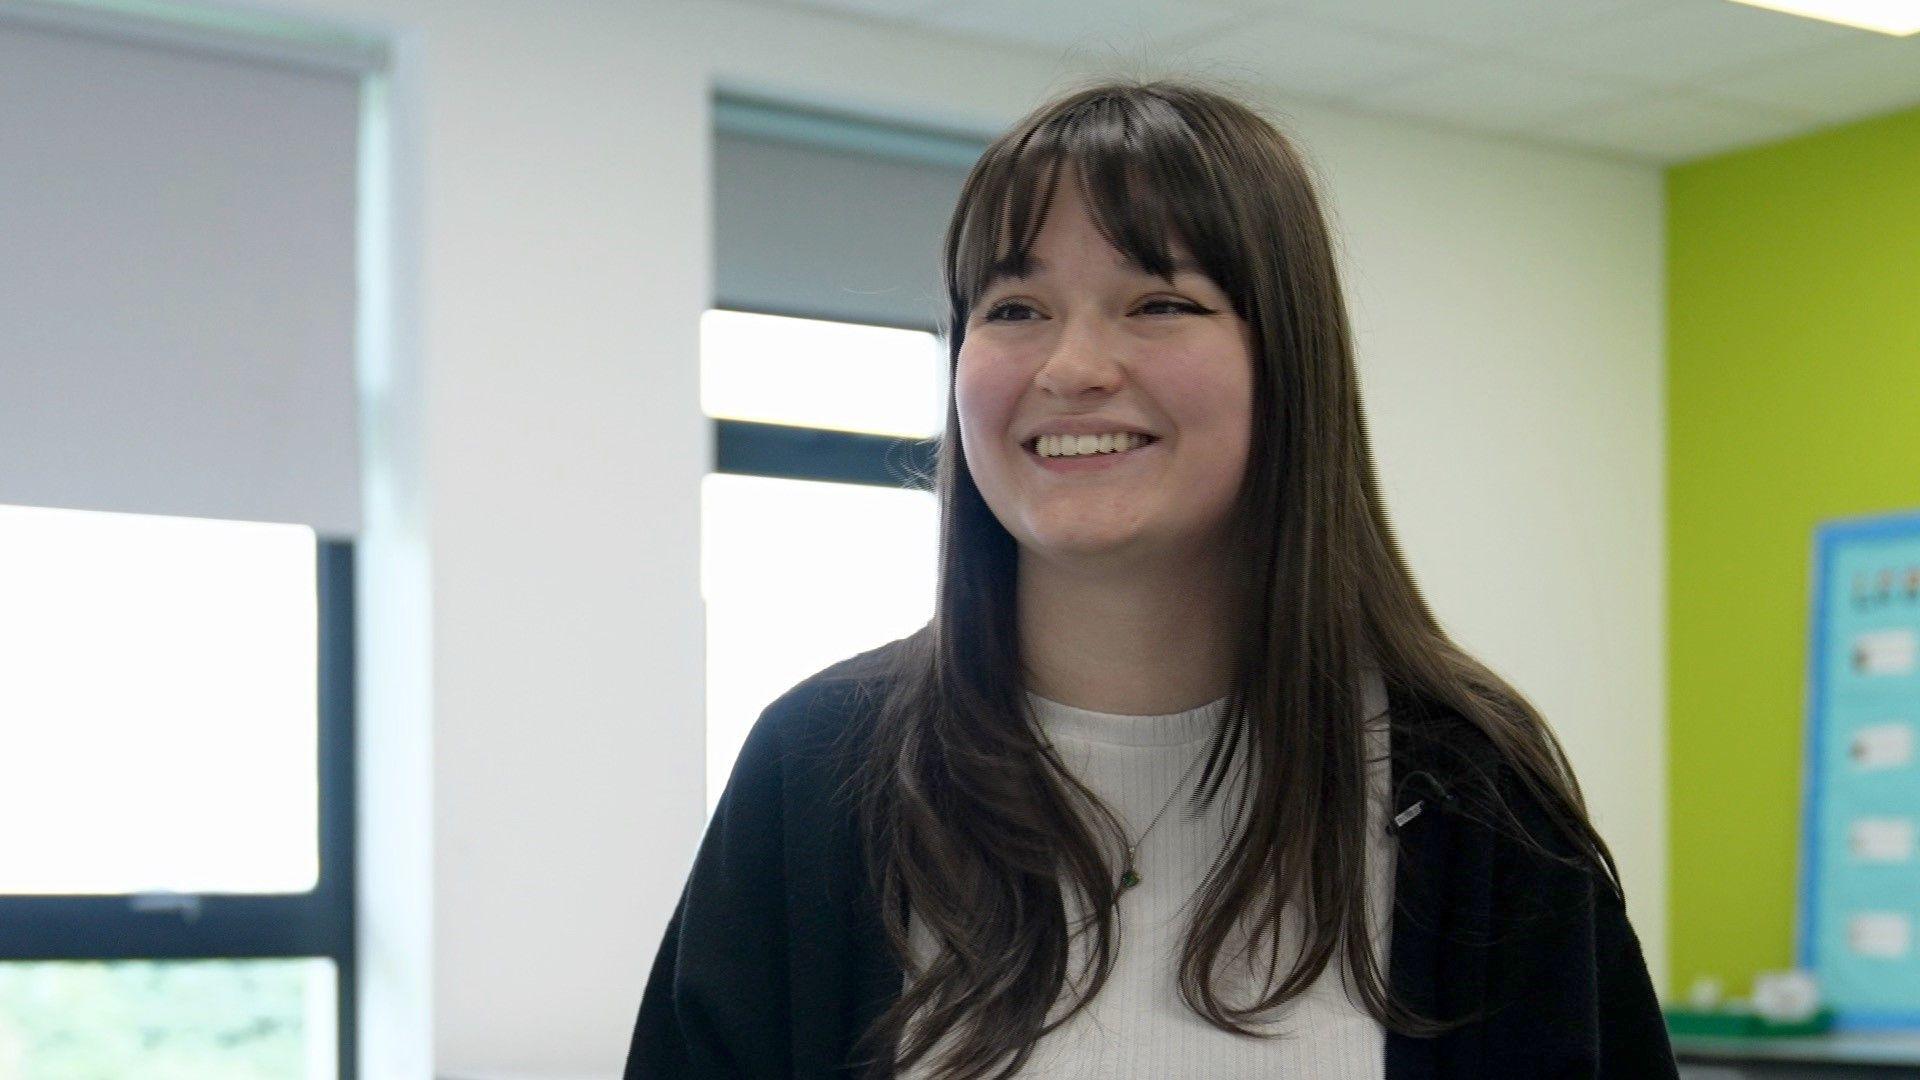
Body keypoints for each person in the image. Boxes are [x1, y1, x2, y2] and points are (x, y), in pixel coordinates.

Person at [626, 77, 1677, 1079]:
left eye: (1161, 302)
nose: (1072, 366)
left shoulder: (1469, 787)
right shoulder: (817, 770)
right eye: (1014, 308)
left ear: (1290, 363)